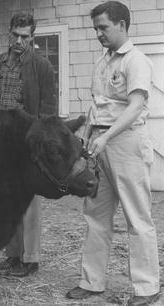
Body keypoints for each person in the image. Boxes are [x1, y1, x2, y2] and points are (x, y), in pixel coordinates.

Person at [66, 2, 160, 306]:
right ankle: (92, 282)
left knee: (137, 217)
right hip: (101, 143)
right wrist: (88, 135)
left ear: (121, 24)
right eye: (95, 28)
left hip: (126, 143)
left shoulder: (136, 61)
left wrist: (106, 136)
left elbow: (135, 106)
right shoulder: (102, 62)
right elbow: (98, 105)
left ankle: (147, 288)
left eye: (103, 27)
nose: (98, 34)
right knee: (95, 215)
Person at [0, 13, 57, 277]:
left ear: (32, 37)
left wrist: (40, 145)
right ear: (8, 32)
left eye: (25, 36)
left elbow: (48, 110)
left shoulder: (42, 66)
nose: (19, 41)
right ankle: (13, 255)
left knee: (29, 202)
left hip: (27, 143)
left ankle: (31, 259)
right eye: (15, 34)